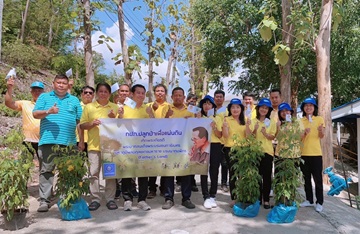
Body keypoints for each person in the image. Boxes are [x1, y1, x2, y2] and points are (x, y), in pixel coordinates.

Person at [33, 74, 82, 212]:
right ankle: (44, 200)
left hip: (69, 143)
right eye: (58, 82)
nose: (61, 85)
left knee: (68, 171)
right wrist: (49, 111)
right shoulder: (44, 97)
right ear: (53, 83)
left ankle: (67, 197)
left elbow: (79, 122)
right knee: (47, 171)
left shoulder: (74, 100)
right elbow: (35, 114)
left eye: (64, 83)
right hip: (48, 141)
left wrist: (81, 141)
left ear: (68, 85)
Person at [80, 82, 119, 211]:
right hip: (93, 145)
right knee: (93, 173)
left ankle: (110, 199)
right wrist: (92, 124)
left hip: (110, 147)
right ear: (97, 93)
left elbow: (121, 128)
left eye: (106, 92)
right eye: (100, 91)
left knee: (110, 173)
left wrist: (114, 119)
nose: (103, 94)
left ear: (109, 94)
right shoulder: (89, 107)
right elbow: (82, 126)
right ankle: (95, 199)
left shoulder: (115, 107)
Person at [118, 84, 154, 211]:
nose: (141, 95)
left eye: (143, 93)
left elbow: (154, 127)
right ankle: (127, 199)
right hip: (127, 146)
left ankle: (142, 200)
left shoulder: (147, 109)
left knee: (143, 173)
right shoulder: (125, 108)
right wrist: (120, 115)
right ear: (132, 94)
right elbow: (117, 126)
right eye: (138, 93)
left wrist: (151, 115)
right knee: (127, 172)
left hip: (143, 147)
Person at [162, 87, 195, 210]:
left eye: (180, 95)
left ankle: (186, 198)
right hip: (170, 145)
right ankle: (169, 199)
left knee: (185, 172)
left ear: (184, 97)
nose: (178, 97)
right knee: (169, 172)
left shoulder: (191, 109)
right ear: (172, 97)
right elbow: (159, 126)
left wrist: (192, 120)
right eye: (175, 95)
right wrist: (167, 116)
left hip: (186, 145)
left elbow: (199, 123)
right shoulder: (167, 108)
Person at [246, 98, 276, 209]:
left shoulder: (271, 122)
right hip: (255, 152)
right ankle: (258, 198)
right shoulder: (253, 121)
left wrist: (265, 134)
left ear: (268, 110)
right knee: (257, 176)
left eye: (266, 108)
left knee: (267, 177)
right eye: (262, 107)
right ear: (258, 109)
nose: (264, 110)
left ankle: (266, 200)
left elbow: (273, 136)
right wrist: (255, 130)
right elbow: (249, 137)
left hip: (267, 151)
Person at [5, 78, 44, 163]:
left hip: (44, 141)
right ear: (31, 92)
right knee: (24, 165)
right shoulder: (24, 103)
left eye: (39, 90)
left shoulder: (48, 105)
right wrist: (9, 88)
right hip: (28, 140)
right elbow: (9, 103)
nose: (37, 92)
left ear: (43, 92)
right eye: (34, 90)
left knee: (45, 167)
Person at [299, 97, 325, 213]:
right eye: (306, 106)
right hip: (303, 154)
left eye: (311, 105)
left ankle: (319, 202)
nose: (308, 107)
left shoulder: (319, 119)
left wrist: (320, 130)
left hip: (316, 154)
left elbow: (321, 136)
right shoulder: (300, 121)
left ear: (314, 108)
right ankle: (309, 200)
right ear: (303, 108)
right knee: (306, 179)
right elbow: (299, 138)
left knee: (318, 179)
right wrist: (304, 133)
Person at [197, 95, 223, 209]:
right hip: (203, 145)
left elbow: (220, 135)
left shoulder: (218, 117)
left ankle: (213, 195)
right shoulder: (199, 117)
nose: (207, 106)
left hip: (216, 145)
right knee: (203, 170)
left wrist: (214, 127)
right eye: (204, 103)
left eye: (209, 104)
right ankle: (205, 196)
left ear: (213, 106)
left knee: (214, 170)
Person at [147, 84, 171, 199]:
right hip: (152, 140)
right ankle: (151, 188)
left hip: (166, 140)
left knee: (164, 165)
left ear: (165, 93)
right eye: (157, 91)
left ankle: (163, 188)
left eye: (162, 91)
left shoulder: (169, 107)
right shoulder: (148, 106)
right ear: (154, 93)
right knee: (152, 166)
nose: (160, 93)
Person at [221, 98, 246, 207]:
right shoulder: (226, 119)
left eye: (237, 107)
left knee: (242, 174)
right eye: (233, 107)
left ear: (241, 109)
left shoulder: (245, 119)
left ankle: (242, 196)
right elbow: (225, 136)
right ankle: (234, 198)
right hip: (230, 149)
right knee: (233, 174)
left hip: (243, 149)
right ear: (229, 109)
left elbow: (249, 136)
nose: (235, 109)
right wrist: (225, 127)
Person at [213, 90, 228, 193]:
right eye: (217, 97)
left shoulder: (227, 111)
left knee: (225, 164)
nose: (218, 98)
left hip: (224, 141)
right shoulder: (211, 110)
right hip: (213, 142)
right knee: (214, 165)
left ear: (223, 99)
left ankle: (224, 183)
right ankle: (213, 183)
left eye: (220, 97)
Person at [77, 85, 95, 154]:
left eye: (90, 93)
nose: (88, 94)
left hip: (93, 141)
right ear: (82, 94)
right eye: (86, 92)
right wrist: (81, 141)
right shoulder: (77, 106)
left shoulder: (97, 108)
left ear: (93, 95)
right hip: (78, 140)